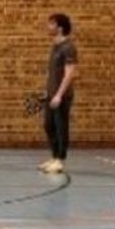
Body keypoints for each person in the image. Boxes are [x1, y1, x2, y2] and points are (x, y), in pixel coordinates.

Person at [39, 13, 78, 175]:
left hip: (62, 95)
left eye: (51, 24)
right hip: (51, 93)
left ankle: (60, 160)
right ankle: (54, 157)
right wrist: (47, 91)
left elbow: (70, 73)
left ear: (60, 28)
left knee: (61, 127)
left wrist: (59, 95)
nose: (48, 27)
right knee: (49, 125)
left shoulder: (68, 47)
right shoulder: (55, 46)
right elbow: (53, 73)